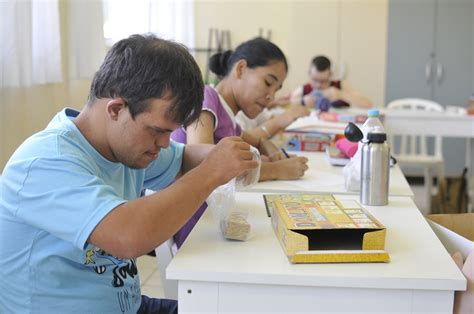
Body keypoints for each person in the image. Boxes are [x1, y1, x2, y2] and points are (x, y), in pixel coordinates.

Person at [0, 34, 259, 314]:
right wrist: (211, 172)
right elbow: (129, 237)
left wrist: (227, 156)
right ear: (116, 109)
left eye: (170, 132)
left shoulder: (123, 147)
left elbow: (184, 157)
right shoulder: (45, 162)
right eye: (158, 130)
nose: (164, 143)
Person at [171, 37, 309, 247]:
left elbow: (253, 137)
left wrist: (270, 150)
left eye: (277, 90)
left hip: (212, 221)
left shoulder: (230, 120)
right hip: (195, 229)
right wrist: (278, 169)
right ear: (241, 68)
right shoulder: (206, 96)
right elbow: (201, 160)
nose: (271, 96)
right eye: (268, 83)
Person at [285, 55, 373, 109]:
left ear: (330, 75)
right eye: (315, 80)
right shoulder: (306, 88)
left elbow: (368, 104)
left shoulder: (339, 85)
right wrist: (303, 101)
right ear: (309, 74)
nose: (318, 85)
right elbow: (285, 102)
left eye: (323, 81)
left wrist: (341, 95)